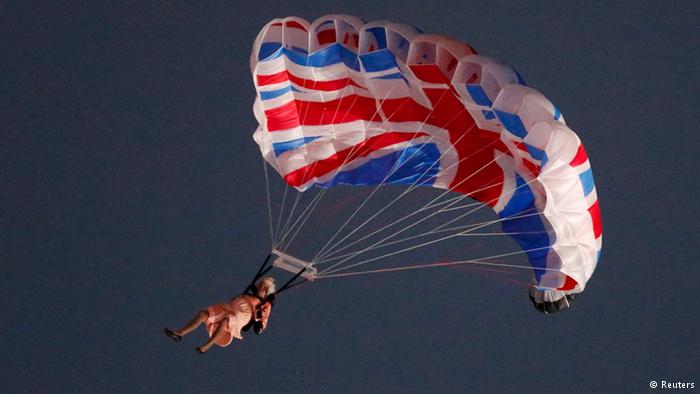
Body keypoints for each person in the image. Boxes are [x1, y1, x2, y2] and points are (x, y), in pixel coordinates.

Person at [164, 277, 276, 353]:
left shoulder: (265, 305)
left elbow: (262, 324)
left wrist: (260, 323)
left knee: (226, 322)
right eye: (261, 285)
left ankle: (206, 346)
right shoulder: (248, 294)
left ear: (267, 292)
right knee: (204, 314)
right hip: (230, 307)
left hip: (244, 314)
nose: (261, 288)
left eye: (264, 287)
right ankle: (179, 333)